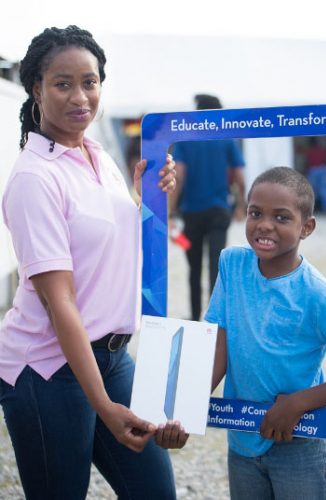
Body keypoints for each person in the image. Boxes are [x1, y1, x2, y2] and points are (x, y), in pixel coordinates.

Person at [0, 25, 188, 500]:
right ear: (36, 88)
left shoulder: (97, 153)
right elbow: (58, 301)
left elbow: (116, 245)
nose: (80, 96)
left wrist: (150, 195)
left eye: (90, 81)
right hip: (45, 368)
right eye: (63, 83)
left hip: (111, 356)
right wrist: (102, 405)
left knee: (156, 493)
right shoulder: (34, 178)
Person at [206, 167, 326, 499]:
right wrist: (184, 407)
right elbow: (219, 349)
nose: (264, 224)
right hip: (242, 439)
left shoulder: (319, 296)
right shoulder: (231, 266)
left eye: (281, 217)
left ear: (307, 227)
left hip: (299, 445)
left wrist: (300, 402)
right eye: (255, 213)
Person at [169, 94, 246, 321]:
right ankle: (213, 321)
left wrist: (171, 211)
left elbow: (179, 177)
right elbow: (240, 177)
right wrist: (242, 204)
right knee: (216, 268)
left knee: (194, 270)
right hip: (219, 212)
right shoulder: (227, 140)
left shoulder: (185, 140)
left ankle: (194, 318)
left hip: (191, 213)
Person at [304, 137, 326, 212]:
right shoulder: (322, 150)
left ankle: (311, 209)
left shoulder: (309, 151)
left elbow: (307, 162)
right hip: (322, 169)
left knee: (311, 190)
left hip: (313, 170)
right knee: (323, 189)